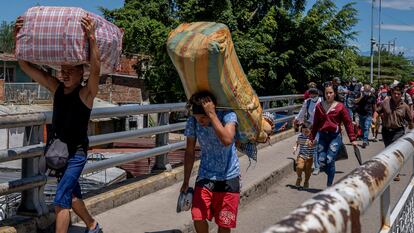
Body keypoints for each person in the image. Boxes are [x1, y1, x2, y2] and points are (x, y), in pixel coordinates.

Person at [15, 16, 102, 233]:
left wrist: (91, 37)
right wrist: (16, 35)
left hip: (76, 155)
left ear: (82, 71)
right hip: (58, 154)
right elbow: (24, 65)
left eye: (70, 70)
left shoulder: (86, 95)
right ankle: (93, 225)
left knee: (60, 201)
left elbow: (97, 70)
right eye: (62, 69)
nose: (64, 74)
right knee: (71, 196)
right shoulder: (56, 88)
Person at [181, 91, 240, 233]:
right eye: (198, 118)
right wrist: (186, 181)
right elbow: (189, 152)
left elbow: (227, 140)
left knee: (224, 223)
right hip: (205, 175)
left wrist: (212, 115)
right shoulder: (193, 122)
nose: (201, 122)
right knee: (197, 215)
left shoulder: (228, 115)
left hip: (229, 176)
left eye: (203, 117)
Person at [309, 84, 358, 187]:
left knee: (329, 159)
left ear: (334, 94)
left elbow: (348, 123)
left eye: (330, 93)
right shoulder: (319, 106)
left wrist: (352, 139)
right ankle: (330, 174)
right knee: (322, 161)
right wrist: (311, 138)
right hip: (322, 137)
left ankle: (329, 185)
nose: (328, 95)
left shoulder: (340, 107)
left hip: (334, 137)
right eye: (326, 93)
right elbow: (315, 124)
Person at [373, 84, 413, 181]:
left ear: (401, 95)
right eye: (394, 93)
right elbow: (377, 111)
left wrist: (412, 131)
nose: (396, 95)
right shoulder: (385, 103)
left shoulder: (405, 107)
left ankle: (396, 172)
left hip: (398, 131)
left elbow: (410, 120)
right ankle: (391, 169)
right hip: (386, 131)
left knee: (395, 151)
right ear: (391, 93)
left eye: (398, 94)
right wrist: (374, 118)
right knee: (388, 151)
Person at [293, 87, 322, 174]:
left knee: (317, 146)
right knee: (311, 144)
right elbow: (302, 112)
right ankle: (313, 165)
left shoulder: (322, 101)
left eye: (313, 94)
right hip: (310, 126)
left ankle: (317, 165)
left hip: (320, 126)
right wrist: (296, 120)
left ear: (317, 94)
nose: (311, 95)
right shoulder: (307, 102)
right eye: (310, 94)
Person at [292, 123, 315, 189]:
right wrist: (295, 148)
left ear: (311, 131)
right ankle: (299, 178)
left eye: (307, 131)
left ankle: (306, 181)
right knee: (299, 167)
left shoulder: (313, 137)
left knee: (308, 171)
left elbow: (316, 144)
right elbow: (297, 143)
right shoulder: (300, 136)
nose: (305, 133)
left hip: (310, 156)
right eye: (303, 131)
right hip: (301, 155)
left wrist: (313, 144)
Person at [355, 84, 377, 148]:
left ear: (370, 90)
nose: (366, 92)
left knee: (366, 127)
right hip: (361, 114)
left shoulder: (372, 96)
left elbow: (374, 106)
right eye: (365, 90)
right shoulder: (360, 94)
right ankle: (366, 140)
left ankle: (364, 141)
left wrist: (375, 116)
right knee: (362, 127)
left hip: (369, 114)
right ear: (363, 90)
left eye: (368, 90)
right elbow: (355, 101)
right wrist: (361, 96)